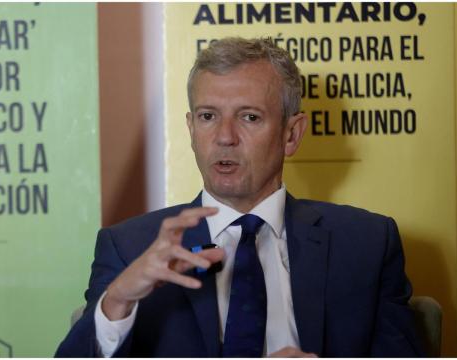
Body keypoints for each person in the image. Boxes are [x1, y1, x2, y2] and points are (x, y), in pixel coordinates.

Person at [55, 37, 423, 357]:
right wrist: (118, 301)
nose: (224, 136)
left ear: (291, 135)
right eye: (208, 116)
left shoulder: (366, 245)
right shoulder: (131, 247)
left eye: (249, 117)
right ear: (191, 129)